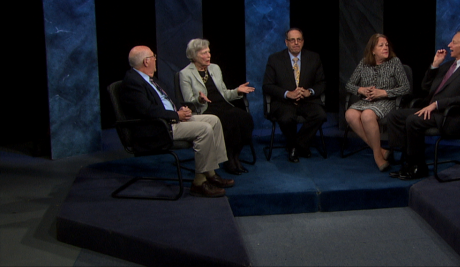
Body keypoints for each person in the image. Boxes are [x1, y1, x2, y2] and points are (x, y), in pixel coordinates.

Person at [120, 45, 234, 197]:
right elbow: (147, 111)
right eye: (153, 56)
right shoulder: (133, 82)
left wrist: (182, 109)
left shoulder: (151, 79)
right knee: (204, 129)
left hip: (171, 119)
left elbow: (169, 100)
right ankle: (199, 183)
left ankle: (210, 172)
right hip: (159, 127)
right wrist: (176, 115)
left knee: (213, 120)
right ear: (146, 62)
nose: (155, 59)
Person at [387, 31, 460, 180]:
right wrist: (435, 65)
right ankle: (406, 161)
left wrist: (437, 104)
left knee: (413, 120)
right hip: (434, 111)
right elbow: (426, 87)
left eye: (454, 42)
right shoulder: (448, 65)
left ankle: (418, 166)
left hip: (451, 115)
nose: (449, 45)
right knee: (395, 115)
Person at [179, 38, 255, 175]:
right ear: (194, 55)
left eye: (208, 52)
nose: (208, 56)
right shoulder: (185, 74)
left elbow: (224, 94)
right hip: (206, 110)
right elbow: (188, 100)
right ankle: (229, 160)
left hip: (223, 105)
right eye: (203, 53)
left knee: (245, 118)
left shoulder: (215, 68)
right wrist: (200, 99)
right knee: (231, 119)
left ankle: (235, 156)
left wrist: (237, 91)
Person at [345, 33, 410, 172]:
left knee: (367, 115)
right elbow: (349, 85)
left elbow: (405, 87)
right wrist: (361, 90)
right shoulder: (364, 63)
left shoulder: (394, 62)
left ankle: (377, 157)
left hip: (387, 101)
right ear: (373, 50)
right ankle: (380, 150)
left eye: (386, 45)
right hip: (366, 101)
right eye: (381, 45)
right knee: (350, 114)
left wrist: (384, 92)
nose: (385, 48)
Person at [263, 28, 327, 163]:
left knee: (320, 115)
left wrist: (310, 92)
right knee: (286, 118)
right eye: (292, 40)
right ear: (286, 42)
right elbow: (267, 86)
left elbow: (322, 83)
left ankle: (295, 145)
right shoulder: (275, 59)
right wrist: (288, 94)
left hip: (307, 101)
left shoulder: (313, 58)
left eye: (299, 40)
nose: (296, 43)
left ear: (303, 42)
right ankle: (298, 146)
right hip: (284, 102)